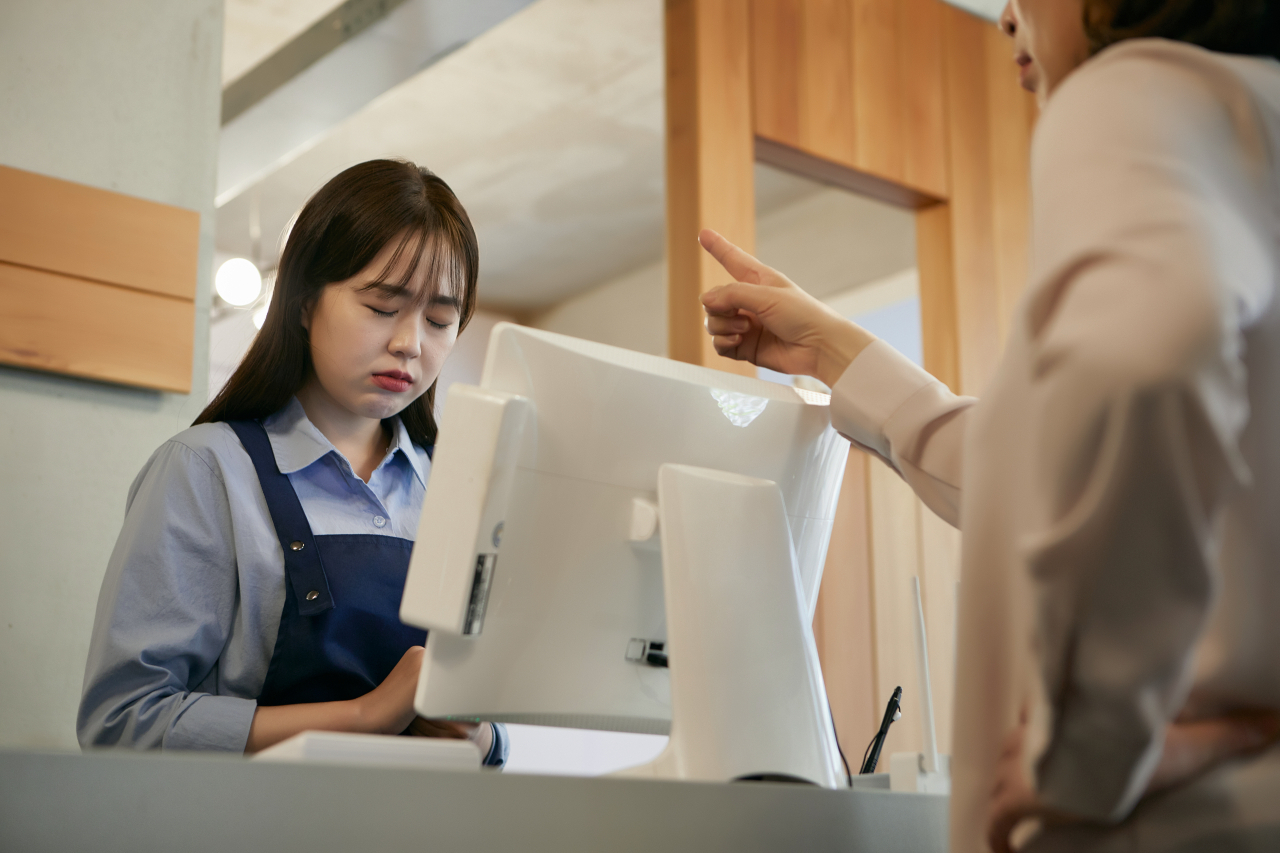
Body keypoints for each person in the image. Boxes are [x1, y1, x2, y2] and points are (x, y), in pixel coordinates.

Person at [699, 1, 1280, 850]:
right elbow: (1047, 475)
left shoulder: (1135, 95)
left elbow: (1141, 366)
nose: (1008, 16)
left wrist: (1088, 751)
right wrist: (830, 347)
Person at [78, 159, 507, 765]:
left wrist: (482, 732)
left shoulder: (465, 487)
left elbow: (502, 706)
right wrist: (365, 717)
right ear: (304, 302)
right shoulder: (207, 472)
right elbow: (122, 722)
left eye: (440, 320)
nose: (411, 343)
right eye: (383, 307)